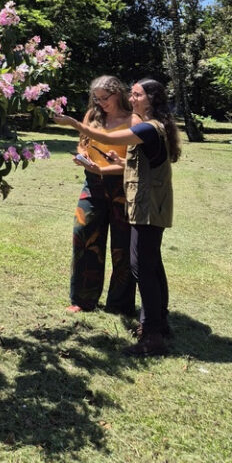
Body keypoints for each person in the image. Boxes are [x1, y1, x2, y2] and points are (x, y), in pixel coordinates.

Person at [54, 78, 180, 356]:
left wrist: (73, 123)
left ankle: (151, 332)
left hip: (143, 203)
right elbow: (135, 162)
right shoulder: (153, 126)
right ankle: (157, 325)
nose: (132, 98)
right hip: (139, 200)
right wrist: (114, 163)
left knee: (140, 264)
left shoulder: (146, 126)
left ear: (148, 99)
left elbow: (111, 139)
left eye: (137, 94)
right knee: (148, 264)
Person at [67, 76, 136, 317]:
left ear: (118, 93)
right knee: (84, 237)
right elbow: (82, 144)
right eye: (96, 98)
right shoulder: (92, 116)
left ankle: (119, 304)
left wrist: (106, 167)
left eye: (105, 98)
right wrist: (82, 156)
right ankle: (83, 300)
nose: (100, 102)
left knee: (123, 247)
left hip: (122, 187)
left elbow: (135, 164)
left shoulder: (133, 120)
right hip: (92, 184)